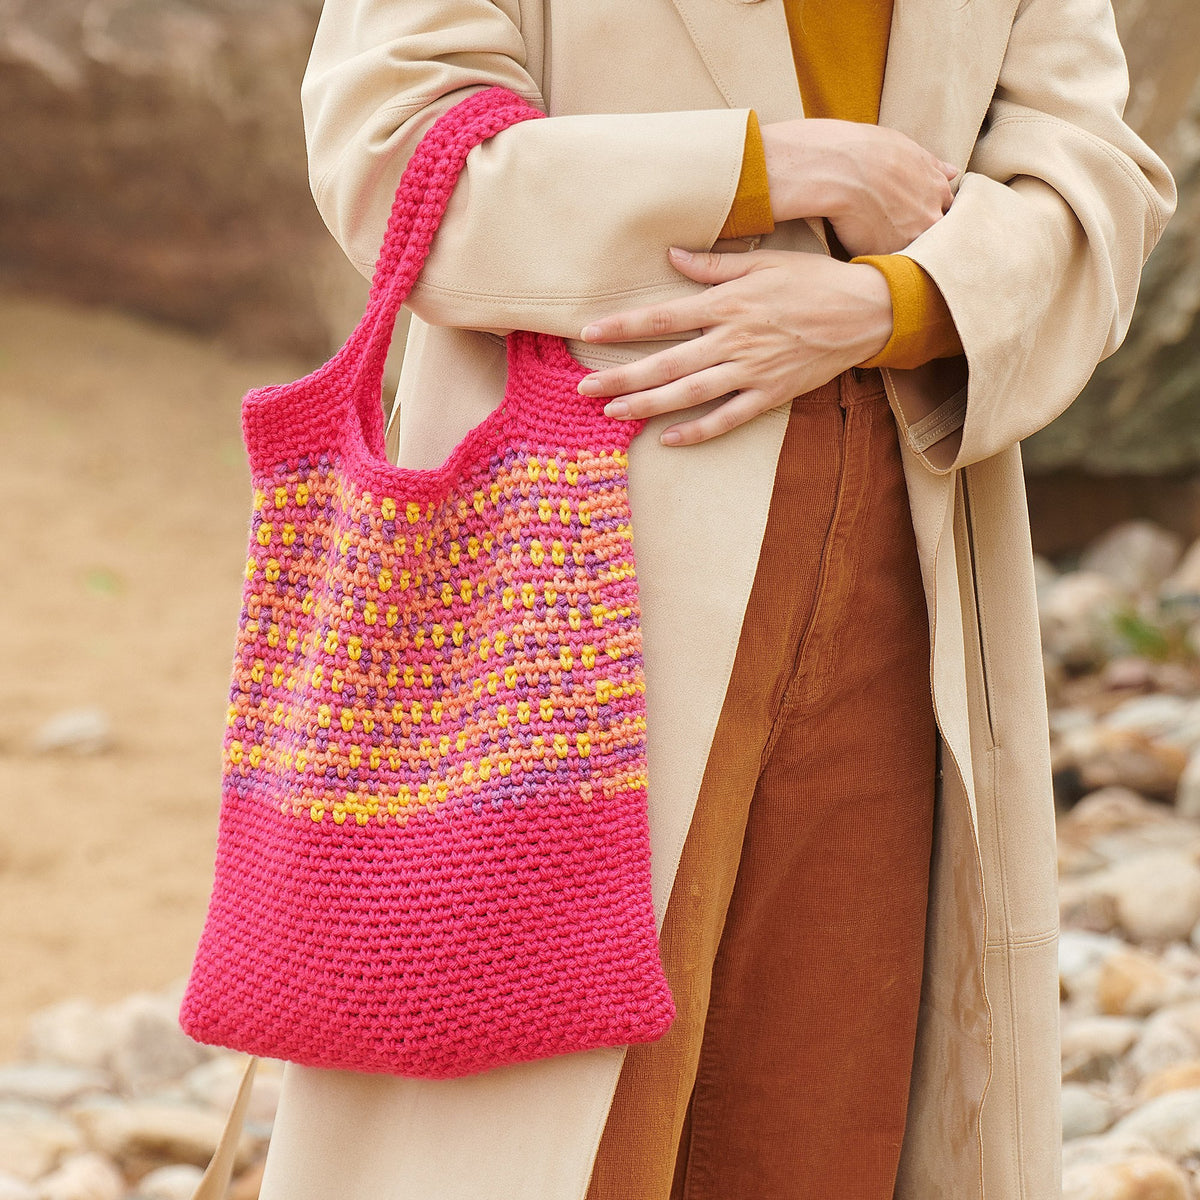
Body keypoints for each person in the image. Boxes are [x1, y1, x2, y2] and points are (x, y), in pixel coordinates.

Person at [250, 2, 1175, 1198]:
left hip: (901, 568)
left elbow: (1093, 181)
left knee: (821, 1129)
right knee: (547, 1139)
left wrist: (888, 306)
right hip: (566, 575)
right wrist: (773, 164)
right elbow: (395, 155)